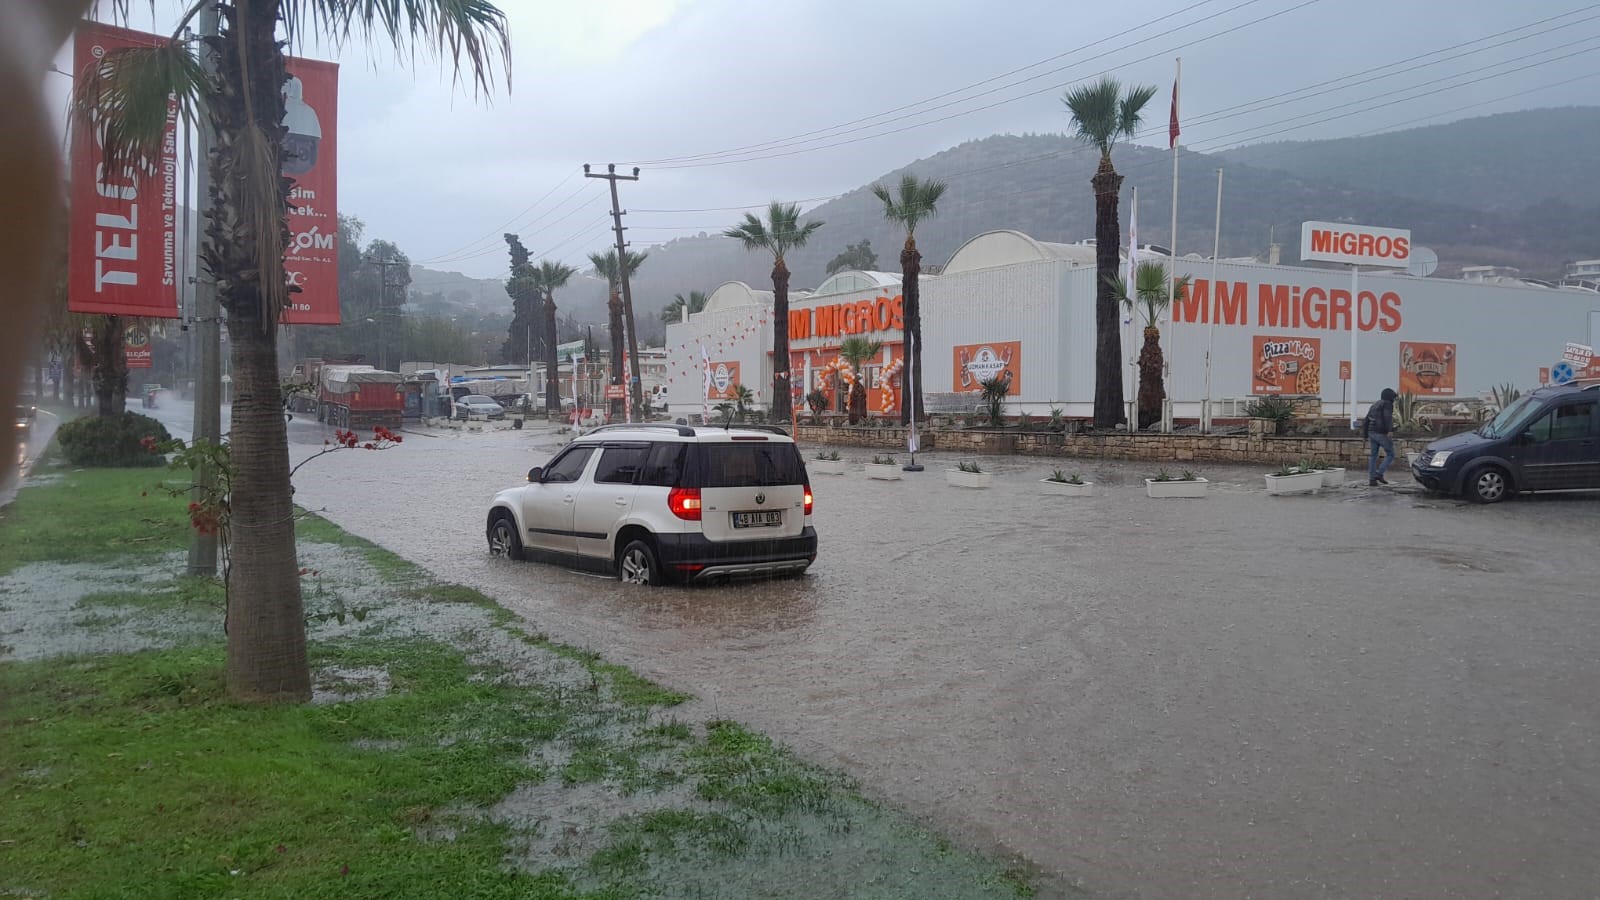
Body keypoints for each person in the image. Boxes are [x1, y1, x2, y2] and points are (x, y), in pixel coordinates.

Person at [1364, 387, 1399, 486]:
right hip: (1380, 433)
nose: (1394, 400)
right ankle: (1379, 473)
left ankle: (1372, 479)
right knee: (1391, 454)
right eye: (1393, 397)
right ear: (1390, 397)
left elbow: (1366, 420)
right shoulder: (1387, 404)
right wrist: (1390, 430)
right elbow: (1387, 417)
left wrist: (1364, 435)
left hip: (1371, 432)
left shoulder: (1375, 404)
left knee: (1373, 456)